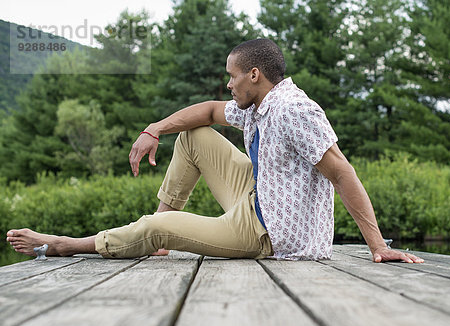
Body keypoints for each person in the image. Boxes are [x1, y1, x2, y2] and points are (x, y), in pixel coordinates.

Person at [6, 38, 424, 264]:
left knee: (152, 227)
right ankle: (162, 233)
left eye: (233, 76)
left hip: (270, 234)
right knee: (193, 135)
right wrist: (154, 129)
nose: (229, 85)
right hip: (261, 197)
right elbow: (206, 111)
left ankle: (68, 243)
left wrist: (377, 245)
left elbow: (341, 172)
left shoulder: (294, 110)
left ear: (255, 75)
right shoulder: (260, 105)